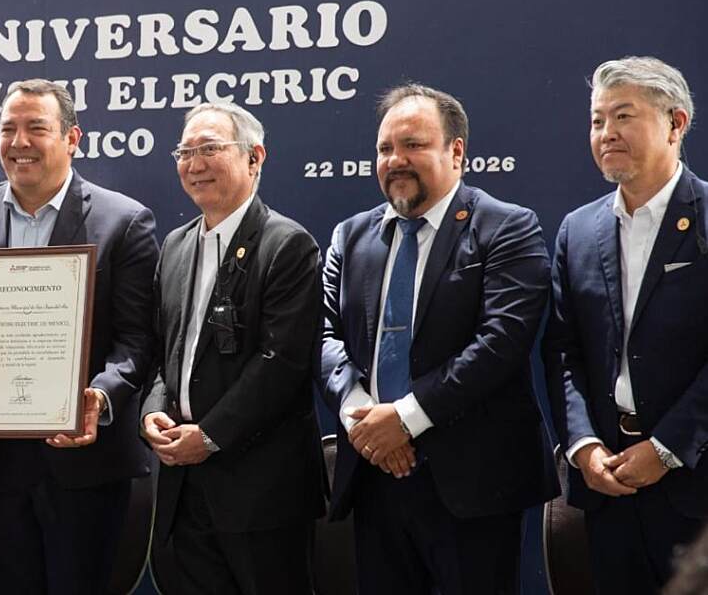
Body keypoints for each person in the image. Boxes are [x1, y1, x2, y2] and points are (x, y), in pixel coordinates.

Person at [318, 84, 559, 594]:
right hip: (374, 477)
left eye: (413, 145)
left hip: (473, 484)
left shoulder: (507, 227)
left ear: (456, 151)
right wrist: (363, 418)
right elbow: (322, 333)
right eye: (385, 148)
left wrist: (404, 419)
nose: (395, 160)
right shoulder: (350, 235)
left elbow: (500, 342)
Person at [0, 79, 158, 594]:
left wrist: (100, 396)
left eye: (36, 128)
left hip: (83, 463)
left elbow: (138, 340)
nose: (19, 142)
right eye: (7, 129)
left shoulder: (123, 221)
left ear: (72, 138)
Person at [141, 102, 325, 595]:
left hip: (261, 492)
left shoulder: (288, 245)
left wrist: (209, 435)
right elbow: (162, 353)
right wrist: (153, 411)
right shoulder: (175, 246)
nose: (195, 164)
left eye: (210, 149)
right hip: (183, 489)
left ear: (254, 157)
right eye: (185, 152)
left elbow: (281, 364)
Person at [544, 56, 707, 594]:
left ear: (676, 124)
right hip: (608, 485)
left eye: (623, 116)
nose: (606, 133)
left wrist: (665, 449)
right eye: (597, 120)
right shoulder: (578, 229)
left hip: (694, 484)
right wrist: (583, 444)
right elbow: (563, 350)